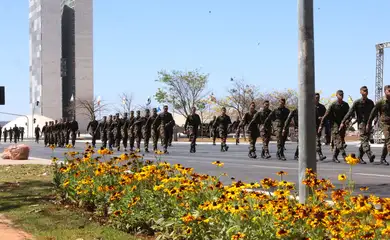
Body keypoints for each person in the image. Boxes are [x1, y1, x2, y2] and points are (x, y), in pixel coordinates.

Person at [340, 86, 375, 164]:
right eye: (364, 91)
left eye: (366, 91)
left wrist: (375, 121)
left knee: (364, 140)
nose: (365, 92)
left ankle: (359, 157)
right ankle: (370, 154)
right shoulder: (357, 102)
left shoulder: (370, 102)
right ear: (361, 92)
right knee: (364, 139)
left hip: (368, 123)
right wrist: (343, 121)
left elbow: (374, 112)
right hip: (361, 124)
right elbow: (350, 112)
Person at [319, 90, 349, 163]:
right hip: (334, 124)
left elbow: (349, 114)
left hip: (342, 124)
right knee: (339, 141)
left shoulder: (345, 105)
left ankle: (335, 156)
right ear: (336, 95)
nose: (341, 96)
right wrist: (321, 126)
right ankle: (345, 156)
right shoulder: (333, 105)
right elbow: (325, 115)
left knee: (340, 141)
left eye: (342, 95)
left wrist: (347, 121)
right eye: (340, 95)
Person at [367, 85, 390, 165]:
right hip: (384, 123)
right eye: (389, 91)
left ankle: (382, 158)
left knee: (387, 141)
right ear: (385, 91)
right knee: (388, 138)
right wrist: (369, 123)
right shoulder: (381, 102)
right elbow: (373, 113)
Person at [315, 93, 327, 161]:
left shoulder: (322, 107)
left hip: (319, 126)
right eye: (316, 97)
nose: (317, 98)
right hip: (311, 126)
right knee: (317, 141)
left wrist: (322, 118)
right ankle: (320, 155)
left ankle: (318, 155)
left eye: (318, 97)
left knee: (317, 141)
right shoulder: (310, 106)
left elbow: (326, 116)